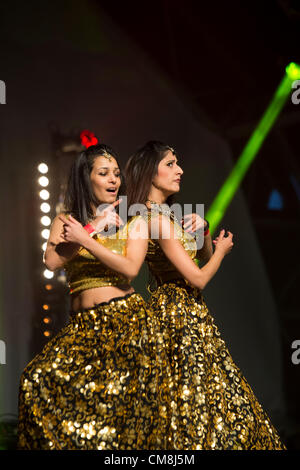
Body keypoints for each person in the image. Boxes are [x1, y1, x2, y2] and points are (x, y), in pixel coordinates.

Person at [124, 140, 286, 450]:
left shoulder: (164, 215)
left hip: (188, 315)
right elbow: (197, 278)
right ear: (149, 172)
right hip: (179, 318)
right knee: (194, 399)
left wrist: (207, 235)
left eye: (178, 162)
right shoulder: (156, 220)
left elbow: (200, 257)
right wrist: (222, 252)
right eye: (170, 164)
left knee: (200, 398)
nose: (180, 170)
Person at [17, 144, 170, 450]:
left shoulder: (132, 220)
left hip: (125, 324)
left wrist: (88, 238)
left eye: (116, 174)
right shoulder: (66, 221)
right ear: (86, 179)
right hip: (82, 327)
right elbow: (52, 261)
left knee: (121, 412)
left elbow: (129, 270)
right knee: (36, 380)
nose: (113, 180)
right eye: (104, 173)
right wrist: (91, 227)